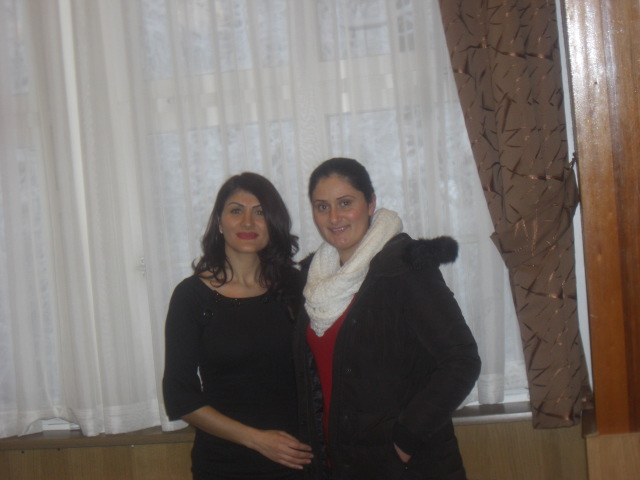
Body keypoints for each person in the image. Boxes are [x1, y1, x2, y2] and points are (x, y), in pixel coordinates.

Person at [294, 158, 481, 480]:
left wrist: (404, 440)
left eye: (345, 203)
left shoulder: (405, 268)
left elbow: (461, 360)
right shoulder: (314, 282)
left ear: (370, 204)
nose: (334, 217)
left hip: (405, 466)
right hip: (338, 462)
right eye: (322, 206)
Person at [163, 172, 314, 480]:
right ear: (219, 222)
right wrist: (258, 440)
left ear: (273, 223)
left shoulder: (299, 288)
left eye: (259, 212)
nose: (248, 222)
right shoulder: (191, 296)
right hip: (224, 464)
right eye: (236, 211)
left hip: (297, 460)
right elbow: (180, 396)